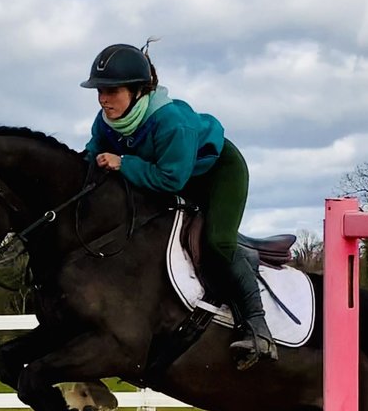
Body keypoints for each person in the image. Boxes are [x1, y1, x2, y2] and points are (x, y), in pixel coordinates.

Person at [81, 42, 278, 370]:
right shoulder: (105, 123)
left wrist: (123, 164)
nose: (103, 99)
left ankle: (258, 328)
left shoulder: (171, 121)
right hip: (172, 176)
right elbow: (90, 161)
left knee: (216, 242)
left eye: (111, 91)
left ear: (137, 90)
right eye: (99, 90)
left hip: (216, 175)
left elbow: (170, 179)